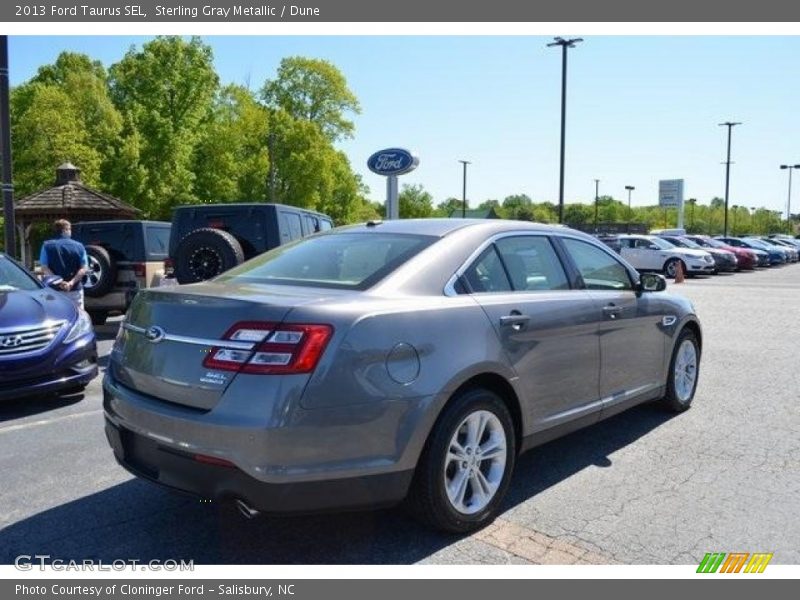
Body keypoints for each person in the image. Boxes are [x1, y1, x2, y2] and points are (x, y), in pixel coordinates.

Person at [39, 219, 89, 309]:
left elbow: (44, 268)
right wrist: (71, 283)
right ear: (64, 230)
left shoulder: (46, 246)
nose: (70, 232)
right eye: (69, 229)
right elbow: (83, 269)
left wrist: (60, 282)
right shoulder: (79, 246)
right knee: (78, 317)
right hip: (75, 289)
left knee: (57, 317)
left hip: (54, 291)